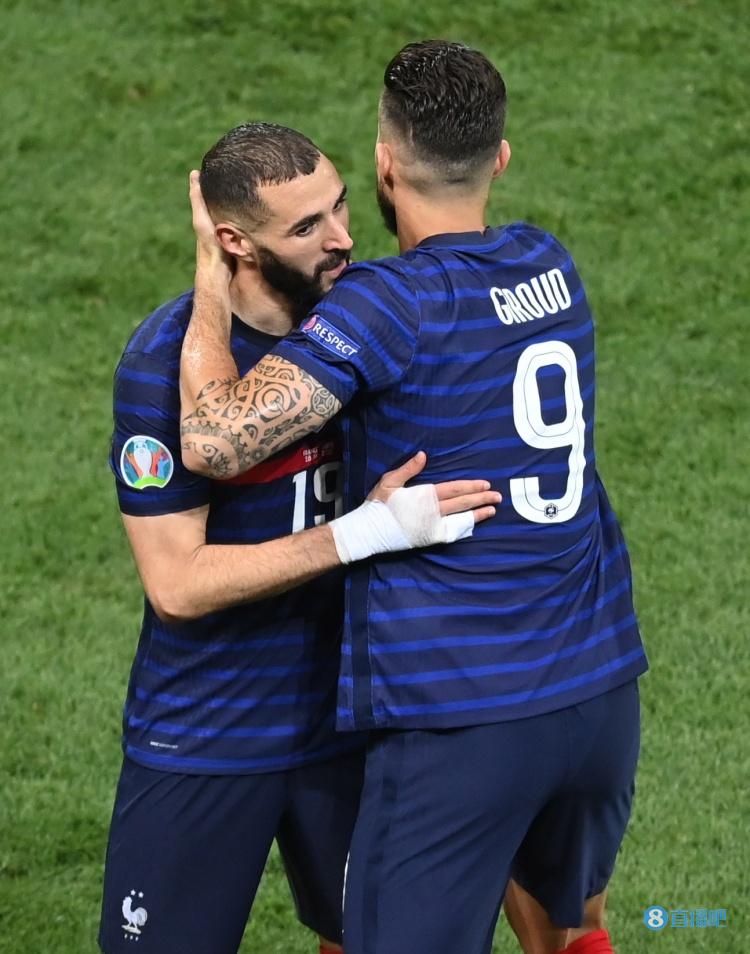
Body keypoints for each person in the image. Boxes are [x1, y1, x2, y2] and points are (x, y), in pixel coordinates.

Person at [178, 43, 648, 954]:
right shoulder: (551, 265)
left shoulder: (386, 303)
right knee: (570, 930)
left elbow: (213, 439)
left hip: (461, 715)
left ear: (384, 164)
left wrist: (209, 274)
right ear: (499, 158)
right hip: (597, 691)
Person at [99, 121, 500, 954]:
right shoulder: (161, 366)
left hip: (354, 719)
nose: (344, 237)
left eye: (341, 205)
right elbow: (177, 586)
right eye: (308, 226)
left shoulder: (369, 330)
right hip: (208, 730)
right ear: (235, 243)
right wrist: (363, 534)